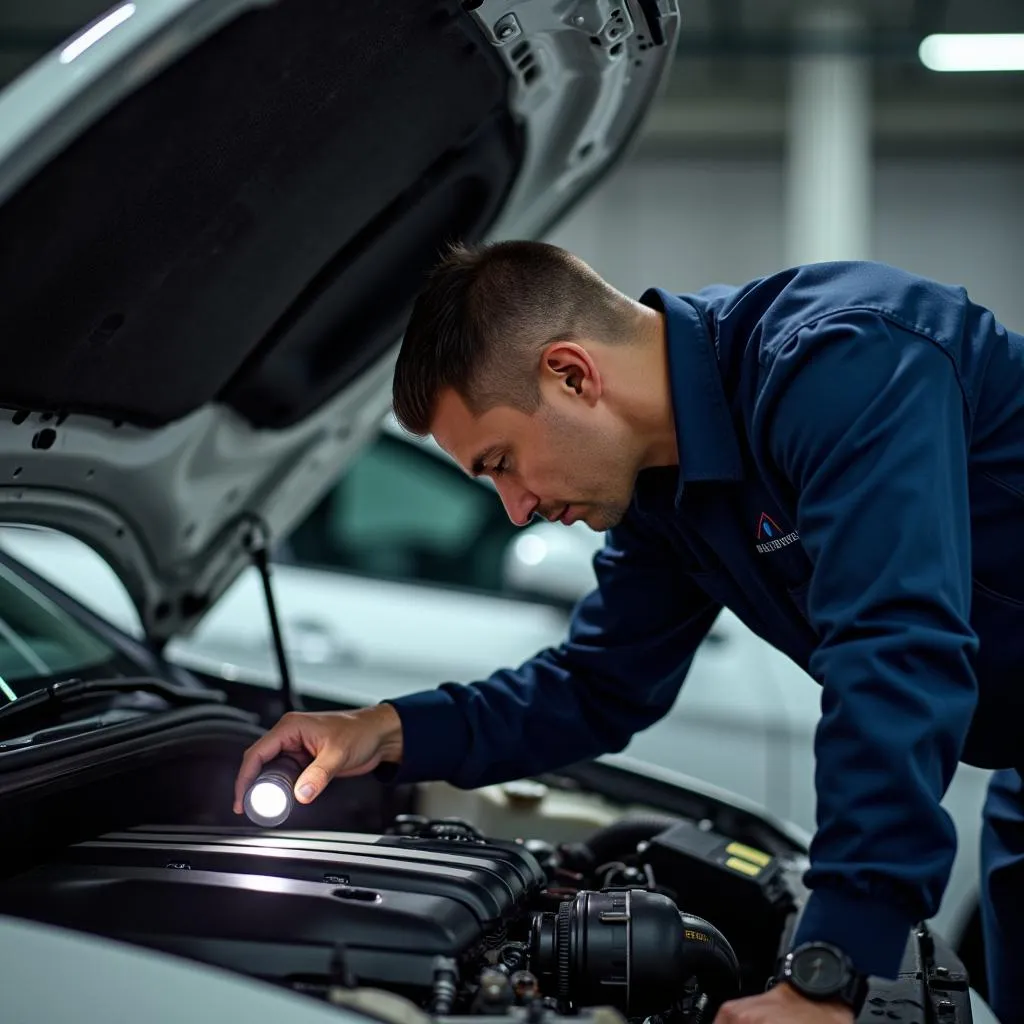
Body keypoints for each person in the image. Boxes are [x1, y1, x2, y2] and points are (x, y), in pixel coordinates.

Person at [234, 241, 1024, 1023]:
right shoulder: (659, 494)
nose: (515, 508)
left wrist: (827, 975)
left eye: (503, 461)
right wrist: (387, 730)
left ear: (573, 375)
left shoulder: (842, 361)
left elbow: (894, 655)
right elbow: (597, 687)